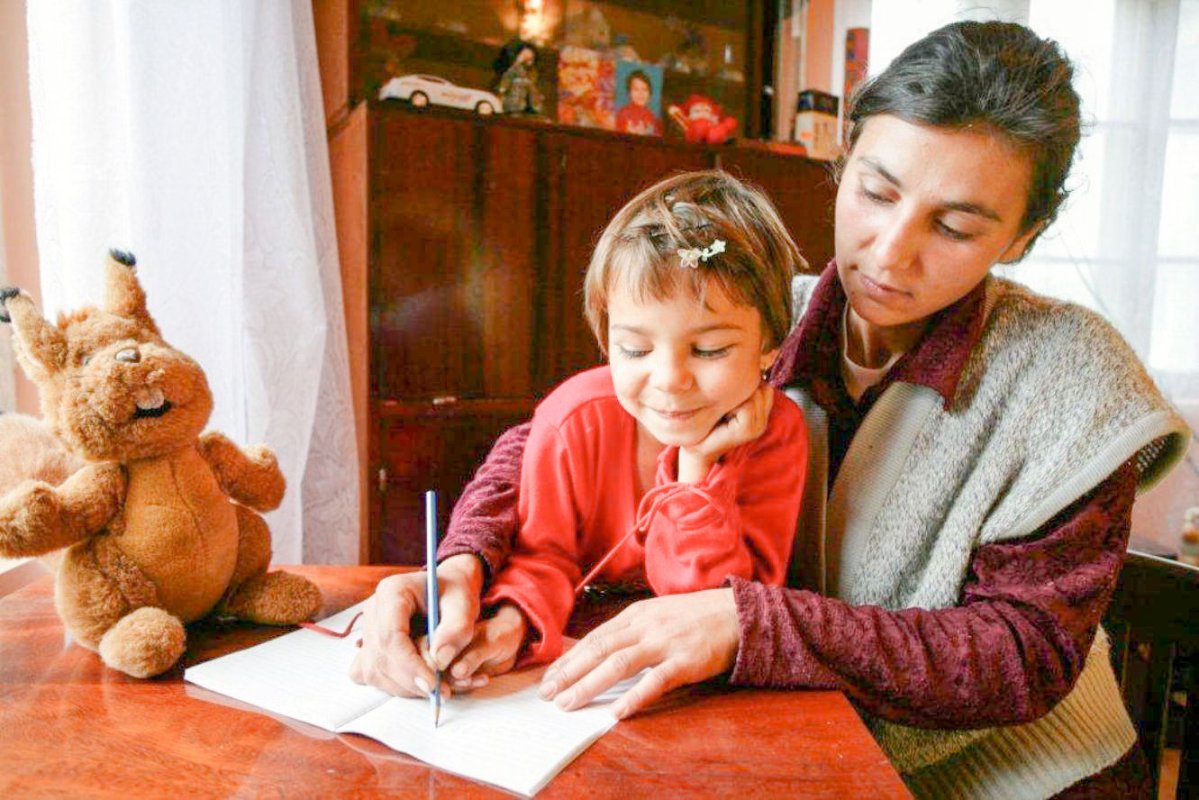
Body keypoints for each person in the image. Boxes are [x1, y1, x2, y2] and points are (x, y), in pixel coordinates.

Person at [357, 21, 1191, 799]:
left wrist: (750, 624)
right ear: (842, 160)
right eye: (875, 191)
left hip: (1023, 778)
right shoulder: (741, 321)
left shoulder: (1073, 379)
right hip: (807, 749)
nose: (889, 252)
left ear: (1022, 235)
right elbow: (555, 435)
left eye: (956, 227)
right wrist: (462, 563)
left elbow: (1020, 655)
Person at [352, 170, 809, 689]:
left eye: (709, 350)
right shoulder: (573, 420)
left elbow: (717, 611)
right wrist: (513, 624)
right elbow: (542, 556)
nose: (669, 379)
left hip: (696, 692)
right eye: (635, 349)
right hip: (575, 666)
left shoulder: (778, 434)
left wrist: (697, 470)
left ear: (770, 347)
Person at [615, 69, 662, 136]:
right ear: (629, 93)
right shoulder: (623, 114)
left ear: (650, 93)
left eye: (645, 89)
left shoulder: (652, 117)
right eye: (636, 89)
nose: (641, 94)